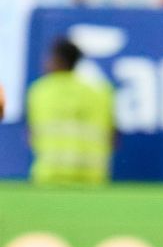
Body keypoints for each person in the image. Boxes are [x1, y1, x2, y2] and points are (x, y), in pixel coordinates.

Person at [26, 37, 114, 185]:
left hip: (49, 176)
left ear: (57, 60)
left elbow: (31, 134)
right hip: (92, 178)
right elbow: (112, 137)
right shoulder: (101, 91)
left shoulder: (39, 91)